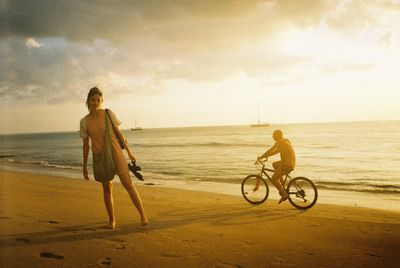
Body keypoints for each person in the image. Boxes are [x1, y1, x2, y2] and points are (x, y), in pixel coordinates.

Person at [80, 87, 148, 229]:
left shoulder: (108, 113)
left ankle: (143, 215)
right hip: (100, 156)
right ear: (88, 101)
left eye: (98, 100)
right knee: (107, 188)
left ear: (101, 101)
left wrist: (129, 152)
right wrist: (85, 166)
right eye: (93, 100)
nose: (95, 102)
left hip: (116, 152)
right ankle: (112, 220)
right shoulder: (84, 122)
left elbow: (119, 133)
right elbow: (86, 145)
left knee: (127, 183)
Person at [258, 129, 296, 204]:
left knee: (273, 179)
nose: (272, 136)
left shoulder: (279, 142)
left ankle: (284, 195)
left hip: (287, 165)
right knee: (274, 164)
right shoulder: (286, 140)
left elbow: (270, 150)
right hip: (291, 163)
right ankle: (282, 186)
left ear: (276, 136)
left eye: (273, 135)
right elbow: (276, 151)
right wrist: (267, 156)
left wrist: (262, 157)